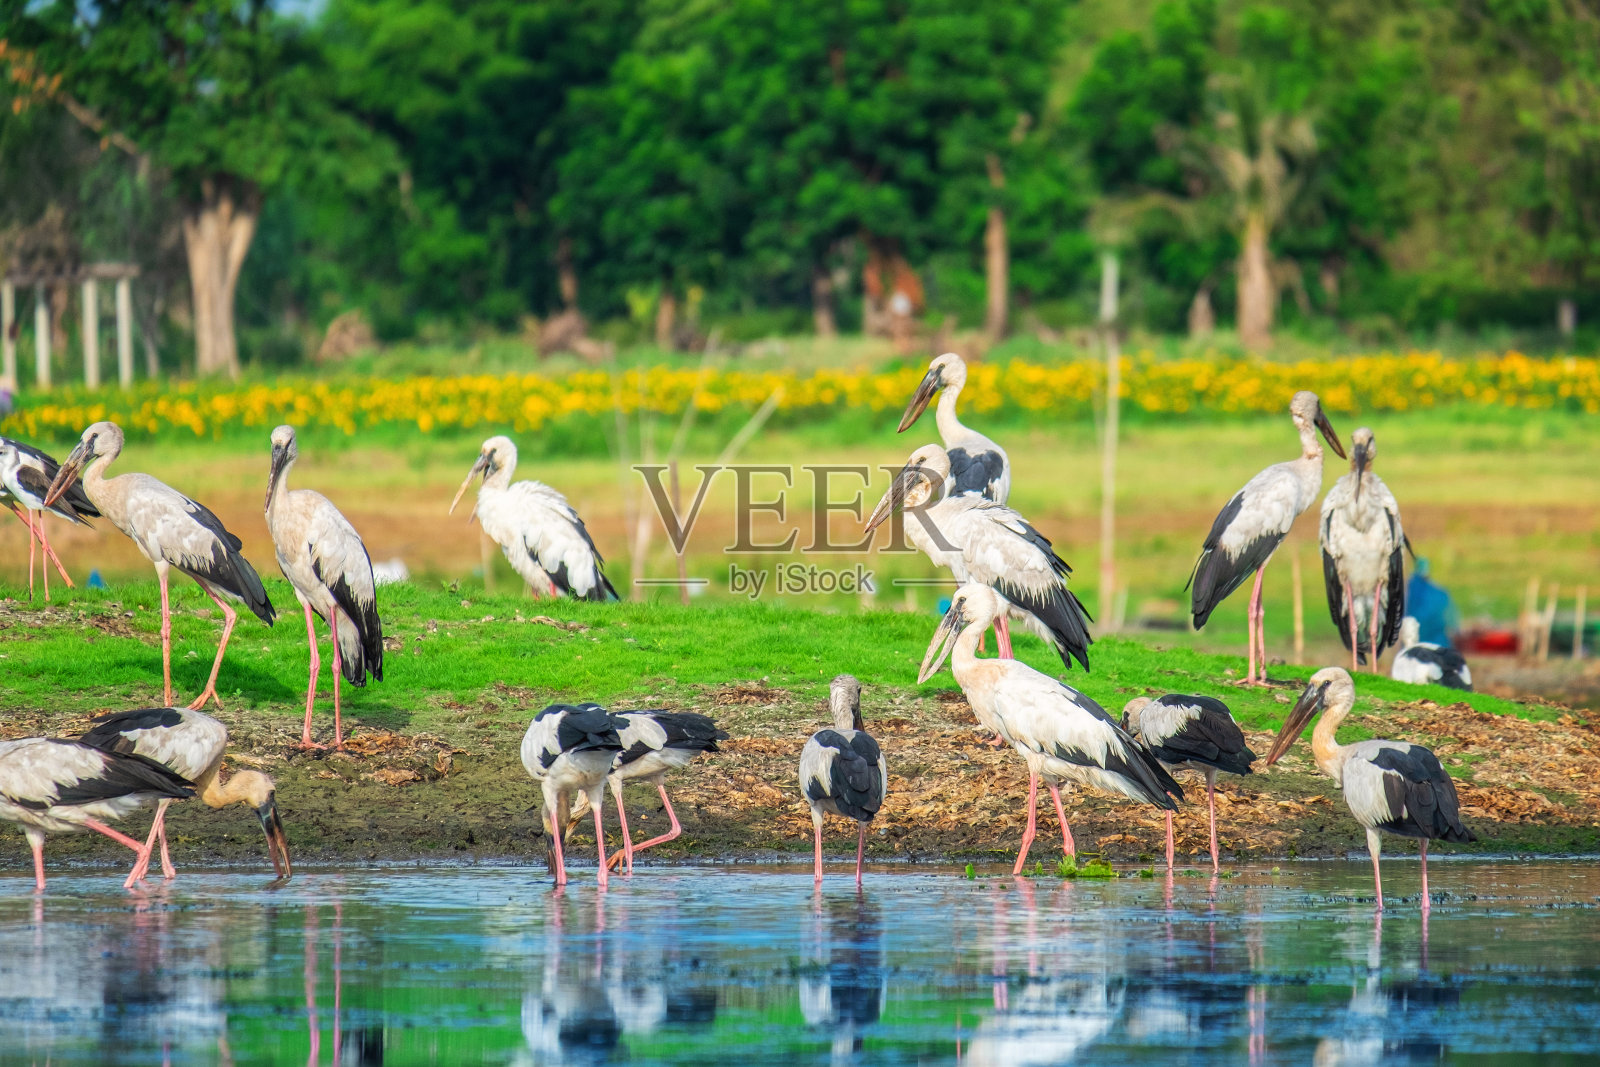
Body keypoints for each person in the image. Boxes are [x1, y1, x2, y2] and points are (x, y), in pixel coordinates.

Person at [1405, 557, 1459, 648]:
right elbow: (1453, 623)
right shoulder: (1440, 594)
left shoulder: (1405, 592)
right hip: (1438, 646)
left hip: (1411, 646)